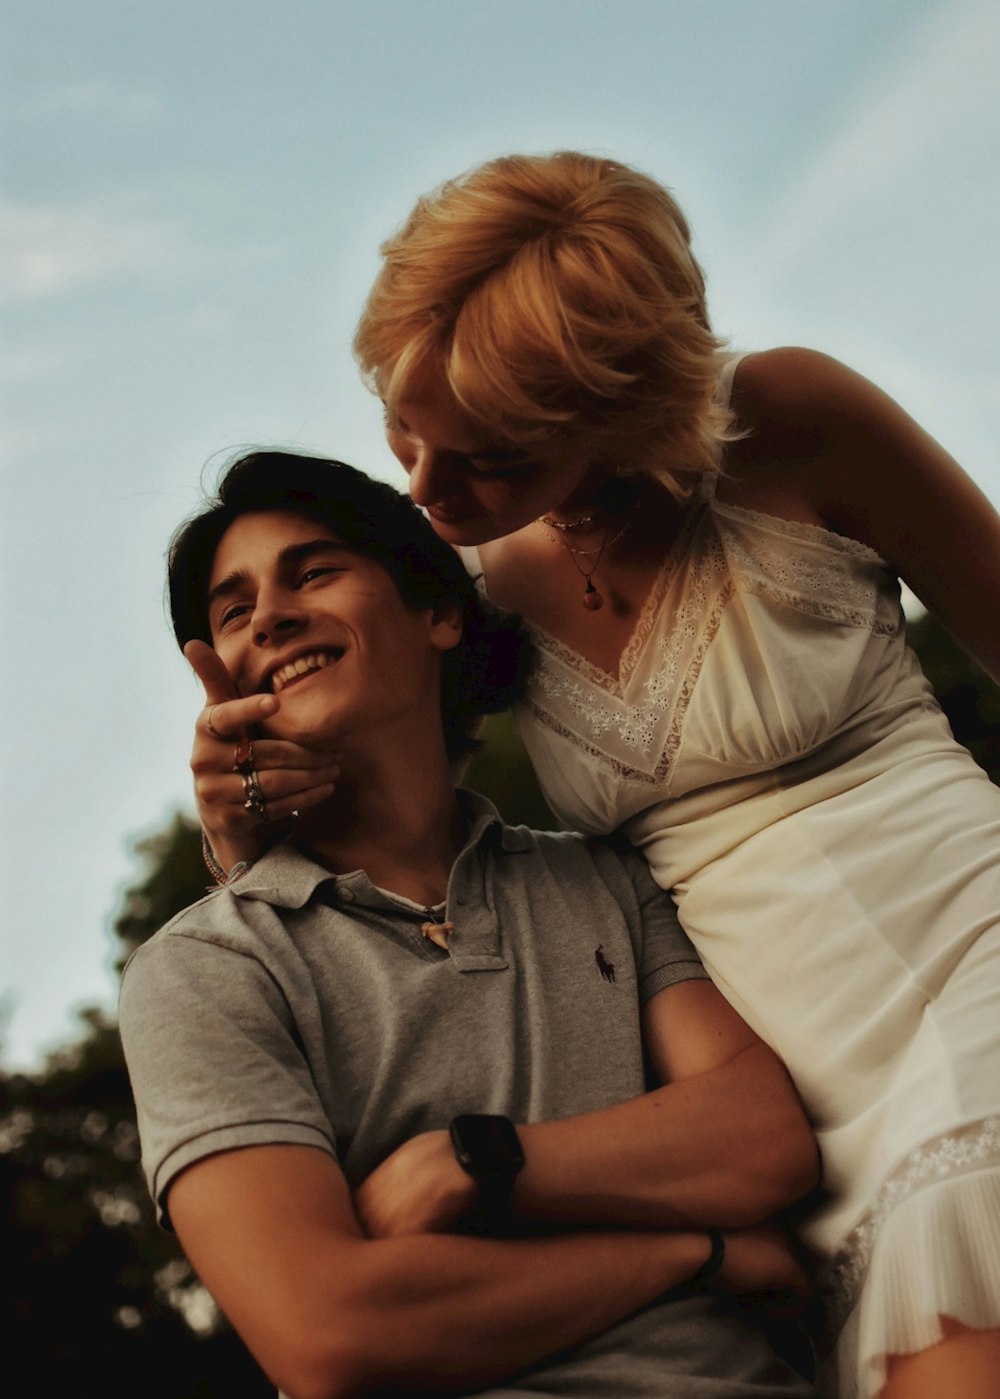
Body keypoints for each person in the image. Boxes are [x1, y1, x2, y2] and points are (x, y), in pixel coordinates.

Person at [347, 152, 1000, 1399]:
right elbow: (390, 838)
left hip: (972, 938)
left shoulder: (792, 423)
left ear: (612, 412)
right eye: (404, 431)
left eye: (486, 457)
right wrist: (237, 809)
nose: (425, 491)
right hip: (785, 1093)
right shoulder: (468, 603)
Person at [122, 450, 820, 1399]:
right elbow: (331, 1332)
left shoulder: (601, 876)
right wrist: (692, 1250)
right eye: (232, 612)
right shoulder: (205, 969)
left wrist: (477, 1160)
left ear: (439, 613)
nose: (271, 616)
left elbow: (761, 1140)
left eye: (314, 570)